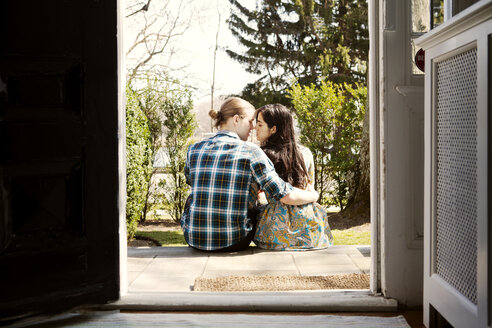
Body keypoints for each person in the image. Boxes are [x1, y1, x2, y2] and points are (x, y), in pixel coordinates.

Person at [180, 97, 319, 252]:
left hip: (194, 238)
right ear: (236, 120)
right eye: (251, 121)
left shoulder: (194, 149)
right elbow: (284, 194)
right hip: (235, 240)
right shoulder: (252, 151)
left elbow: (192, 181)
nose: (253, 128)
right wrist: (313, 196)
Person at [253, 103, 334, 250]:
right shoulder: (305, 153)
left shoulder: (262, 155)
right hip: (310, 229)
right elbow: (309, 189)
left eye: (259, 125)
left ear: (273, 129)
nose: (255, 128)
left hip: (274, 231)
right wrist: (314, 195)